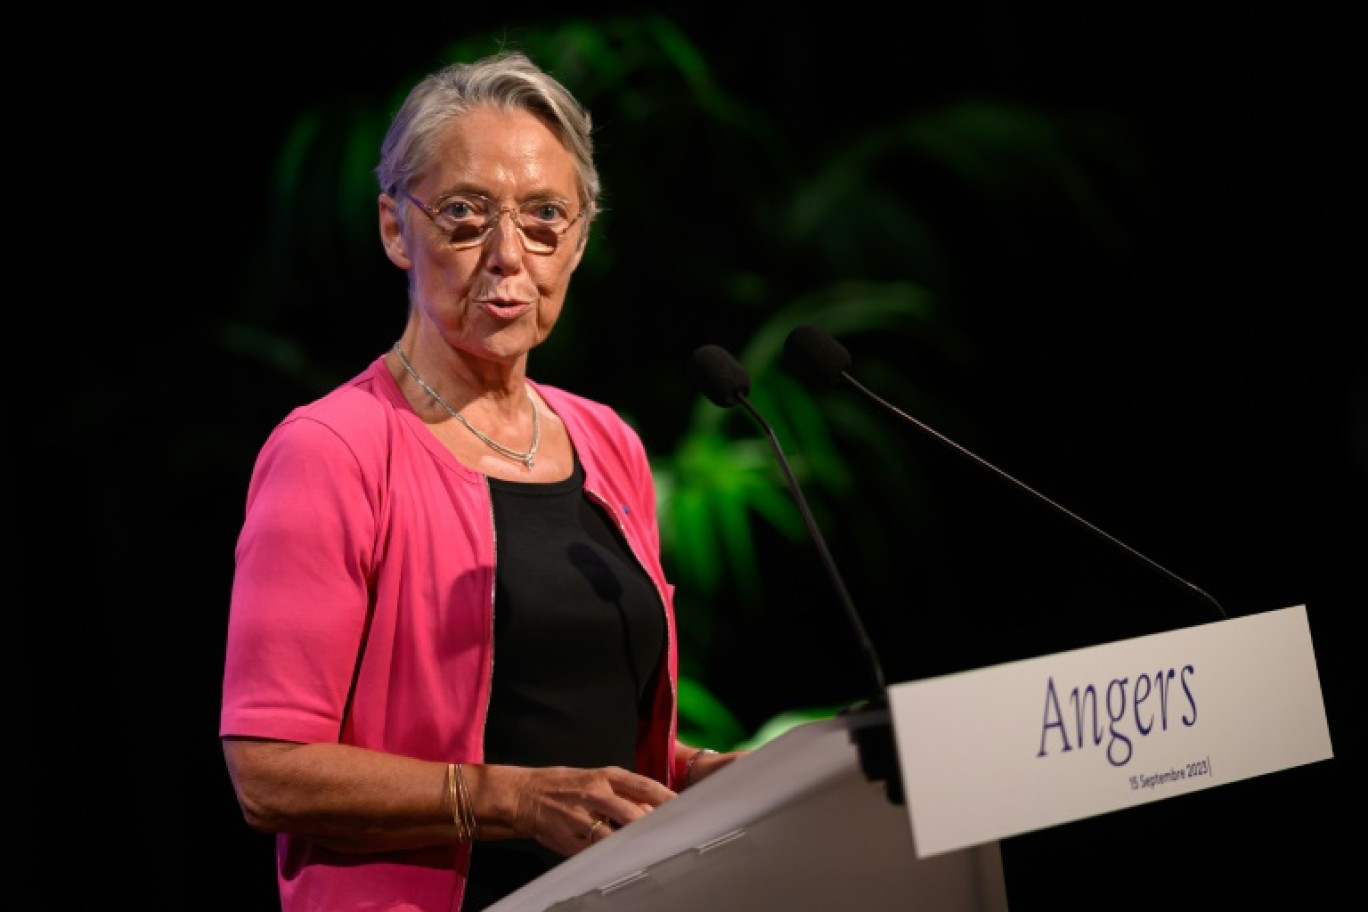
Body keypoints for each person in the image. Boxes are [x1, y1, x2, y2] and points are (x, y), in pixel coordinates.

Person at [219, 49, 745, 911]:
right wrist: (513, 802)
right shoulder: (331, 450)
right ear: (397, 229)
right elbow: (268, 774)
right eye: (464, 216)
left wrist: (695, 778)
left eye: (545, 218)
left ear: (579, 240)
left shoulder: (606, 442)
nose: (508, 256)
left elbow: (579, 722)